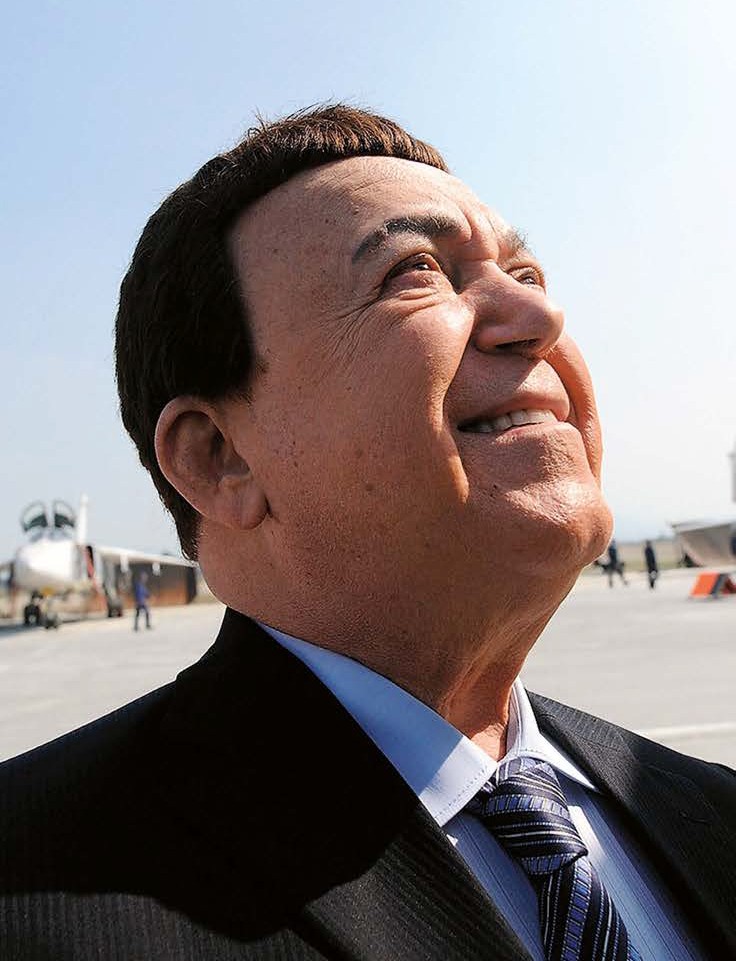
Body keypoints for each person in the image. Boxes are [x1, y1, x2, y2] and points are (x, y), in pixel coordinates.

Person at [1, 106, 733, 960]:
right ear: (220, 457)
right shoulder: (35, 891)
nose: (538, 314)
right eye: (415, 271)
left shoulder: (709, 812)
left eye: (525, 271)